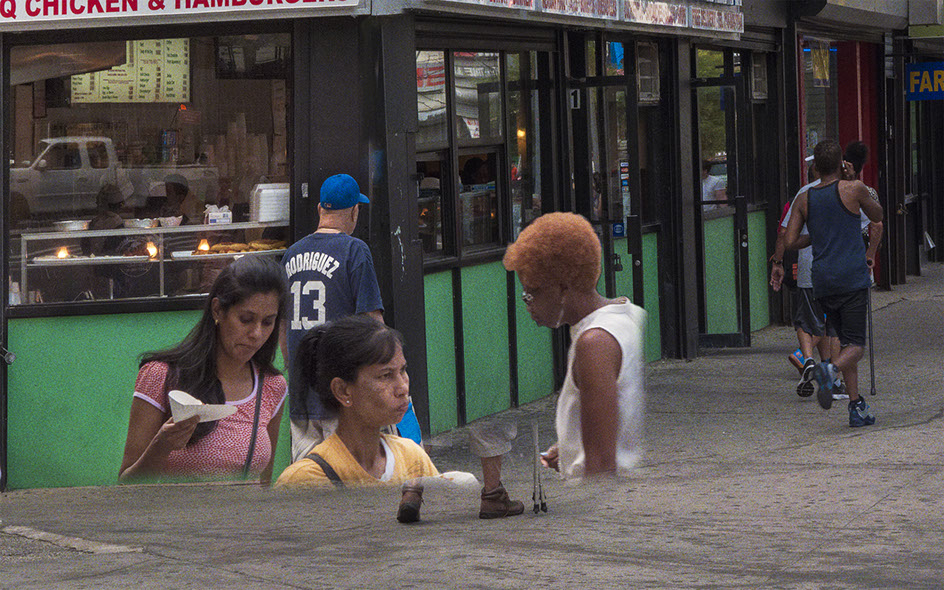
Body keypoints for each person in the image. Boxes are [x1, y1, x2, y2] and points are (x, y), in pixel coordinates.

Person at [280, 174, 419, 461]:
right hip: (344, 396)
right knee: (354, 474)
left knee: (311, 475)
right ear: (355, 211)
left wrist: (293, 370)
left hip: (302, 395)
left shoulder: (291, 254)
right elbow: (373, 323)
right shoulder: (355, 250)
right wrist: (394, 372)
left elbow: (282, 325)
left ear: (320, 209)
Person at [118, 255, 288, 482]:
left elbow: (264, 483)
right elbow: (127, 484)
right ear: (217, 310)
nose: (256, 334)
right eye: (246, 319)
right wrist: (162, 445)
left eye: (267, 322)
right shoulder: (161, 376)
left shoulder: (272, 386)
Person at [503, 212, 646, 479]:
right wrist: (572, 450)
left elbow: (601, 467)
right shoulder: (624, 316)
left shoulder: (594, 342)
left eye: (532, 292)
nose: (528, 304)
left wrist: (582, 465)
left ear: (563, 288)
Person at [274, 317, 439, 507]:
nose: (403, 388)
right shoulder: (304, 480)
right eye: (385, 375)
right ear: (343, 391)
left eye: (403, 370)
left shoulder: (412, 458)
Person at [784, 139, 883, 427]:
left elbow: (790, 241)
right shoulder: (854, 189)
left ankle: (855, 405)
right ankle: (829, 370)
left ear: (815, 166)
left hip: (823, 280)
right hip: (851, 277)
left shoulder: (805, 198)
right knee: (856, 346)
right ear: (841, 164)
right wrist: (854, 183)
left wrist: (816, 236)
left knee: (842, 339)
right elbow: (877, 215)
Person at [770, 159, 839, 398]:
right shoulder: (846, 191)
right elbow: (873, 223)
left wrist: (778, 262)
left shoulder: (802, 195)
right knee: (832, 323)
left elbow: (783, 233)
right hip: (839, 268)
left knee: (807, 321)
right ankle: (827, 375)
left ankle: (808, 359)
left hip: (810, 268)